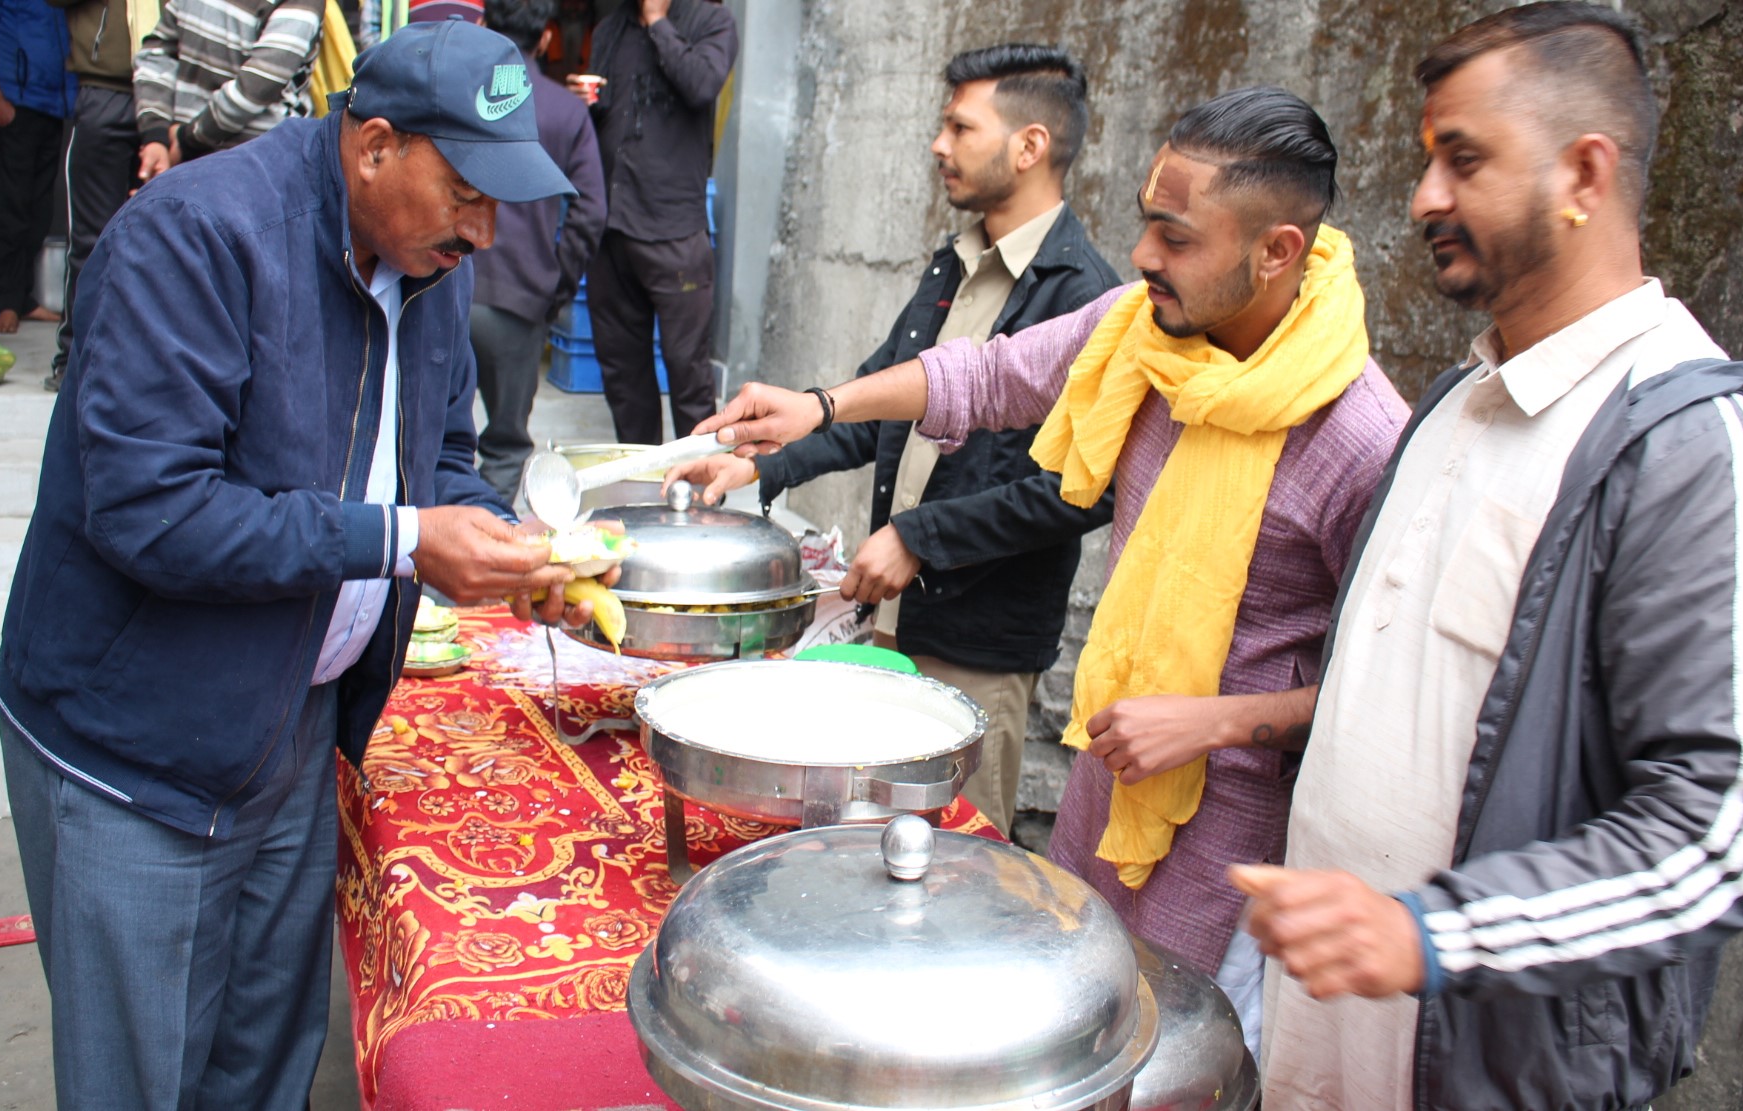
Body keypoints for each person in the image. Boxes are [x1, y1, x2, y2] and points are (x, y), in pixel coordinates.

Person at [672, 87, 1410, 1052]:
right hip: (1111, 769)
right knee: (1080, 1017)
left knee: (1174, 1049)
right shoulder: (1141, 331)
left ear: (1276, 251)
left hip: (1232, 824)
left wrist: (1219, 719)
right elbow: (984, 374)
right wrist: (821, 406)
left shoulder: (1361, 437)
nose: (1143, 255)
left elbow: (1390, 688)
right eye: (1148, 223)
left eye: (1175, 237)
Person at [0, 21, 593, 1106]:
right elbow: (154, 515)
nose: (485, 227)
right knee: (140, 1076)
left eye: (502, 200)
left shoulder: (430, 263)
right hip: (139, 750)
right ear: (373, 147)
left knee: (264, 1065)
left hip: (291, 729)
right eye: (466, 190)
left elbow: (442, 457)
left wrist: (501, 541)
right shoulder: (194, 238)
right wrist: (406, 540)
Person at [1232, 6, 1743, 1109]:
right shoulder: (1455, 402)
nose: (1423, 200)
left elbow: (1727, 822)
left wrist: (1433, 932)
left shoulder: (1694, 442)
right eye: (1424, 162)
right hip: (1320, 1038)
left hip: (1500, 1068)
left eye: (1463, 161)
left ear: (1584, 173)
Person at [681, 44, 1116, 835]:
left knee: (953, 863)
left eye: (960, 125)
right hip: (889, 616)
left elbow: (1076, 489)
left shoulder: (1084, 297)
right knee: (852, 843)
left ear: (1029, 146)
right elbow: (877, 402)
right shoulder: (953, 262)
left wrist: (920, 535)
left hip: (979, 644)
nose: (938, 145)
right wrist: (758, 469)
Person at [437, 0, 607, 502]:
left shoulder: (455, 95)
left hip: (443, 285)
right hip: (520, 300)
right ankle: (474, 560)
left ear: (484, 26)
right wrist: (555, 284)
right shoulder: (565, 110)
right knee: (506, 446)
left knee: (429, 432)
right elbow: (591, 211)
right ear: (548, 40)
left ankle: (424, 556)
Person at [578, 0, 737, 444]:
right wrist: (583, 104)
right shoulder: (610, 28)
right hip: (611, 228)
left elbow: (703, 84)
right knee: (623, 375)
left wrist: (657, 22)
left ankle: (702, 489)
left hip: (673, 232)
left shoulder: (712, 21)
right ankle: (645, 488)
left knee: (688, 373)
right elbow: (605, 113)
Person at [41, 0, 156, 392]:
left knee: (169, 241)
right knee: (91, 241)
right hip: (106, 88)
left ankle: (147, 364)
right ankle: (74, 360)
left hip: (176, 92)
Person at [0, 0, 74, 334]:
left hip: (51, 103)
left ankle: (22, 298)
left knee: (38, 208)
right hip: (12, 101)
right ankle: (3, 301)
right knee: (11, 205)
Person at [132, 0, 325, 184]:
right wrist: (157, 135)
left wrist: (179, 138)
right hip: (253, 167)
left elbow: (259, 84)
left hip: (257, 167)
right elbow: (258, 84)